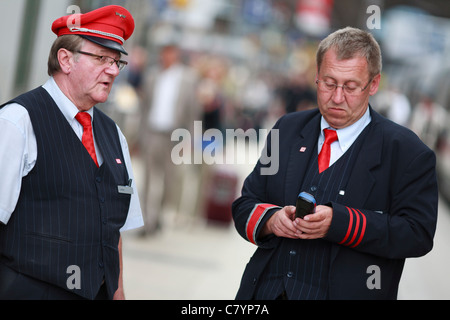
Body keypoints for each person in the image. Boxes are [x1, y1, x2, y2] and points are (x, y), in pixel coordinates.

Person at [232, 27, 438, 300]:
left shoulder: (408, 152)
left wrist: (338, 223)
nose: (337, 97)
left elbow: (417, 234)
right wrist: (271, 220)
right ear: (316, 77)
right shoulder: (286, 130)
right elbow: (246, 203)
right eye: (328, 83)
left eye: (351, 86)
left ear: (374, 84)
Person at [0, 5, 143, 300]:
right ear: (65, 59)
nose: (113, 70)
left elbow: (112, 231)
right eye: (102, 58)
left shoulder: (113, 134)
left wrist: (118, 293)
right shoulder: (17, 122)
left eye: (117, 62)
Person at [139, 44, 200, 235]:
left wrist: (188, 140)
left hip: (174, 137)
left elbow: (193, 113)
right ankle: (147, 220)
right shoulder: (151, 76)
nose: (166, 57)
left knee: (170, 180)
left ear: (176, 56)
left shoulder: (188, 80)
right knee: (148, 178)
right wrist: (139, 135)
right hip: (152, 133)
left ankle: (158, 217)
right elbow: (144, 108)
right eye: (164, 54)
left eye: (170, 54)